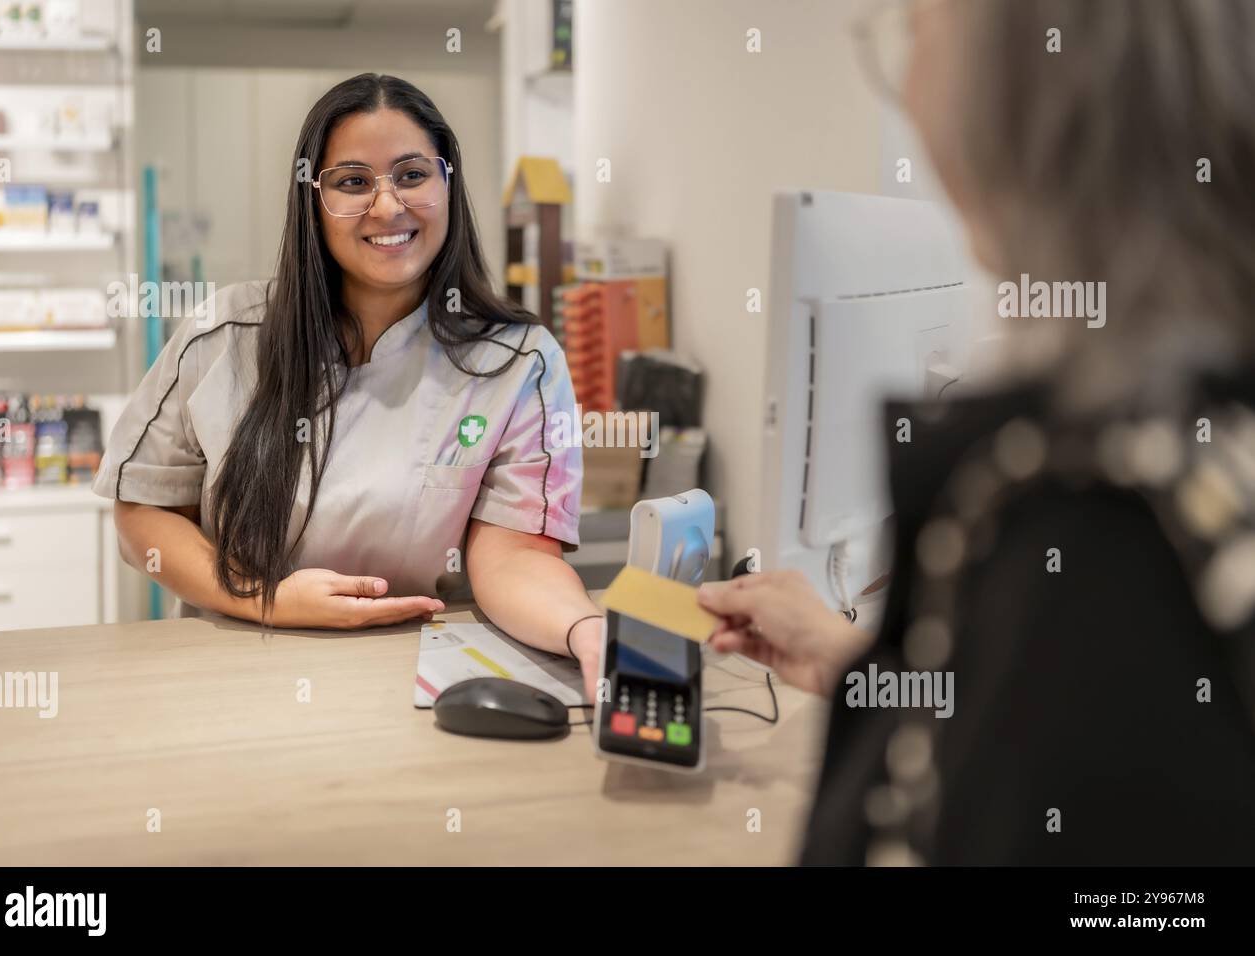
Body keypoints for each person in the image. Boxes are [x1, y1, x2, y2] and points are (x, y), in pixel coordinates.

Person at [698, 0, 1255, 865]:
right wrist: (877, 672)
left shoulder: (1095, 518)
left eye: (916, 27)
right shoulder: (1197, 453)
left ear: (1030, 88)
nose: (907, 83)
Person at [94, 74, 604, 693]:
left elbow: (515, 557)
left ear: (448, 183)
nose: (387, 207)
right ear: (313, 200)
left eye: (412, 175)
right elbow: (144, 512)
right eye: (353, 182)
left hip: (413, 680)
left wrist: (586, 629)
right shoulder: (222, 336)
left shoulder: (518, 363)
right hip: (232, 669)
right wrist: (267, 598)